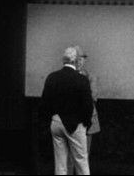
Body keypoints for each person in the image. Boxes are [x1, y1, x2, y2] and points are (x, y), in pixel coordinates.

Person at [41, 46, 93, 176]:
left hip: (56, 122)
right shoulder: (81, 79)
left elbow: (44, 103)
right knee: (81, 161)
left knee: (60, 164)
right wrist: (86, 123)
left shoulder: (52, 77)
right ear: (75, 61)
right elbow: (88, 105)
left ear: (63, 60)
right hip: (76, 124)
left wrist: (50, 119)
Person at [70, 46, 100, 173]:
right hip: (69, 121)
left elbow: (92, 96)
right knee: (69, 157)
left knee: (83, 156)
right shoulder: (65, 76)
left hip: (87, 121)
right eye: (76, 59)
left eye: (82, 59)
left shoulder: (91, 77)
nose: (79, 62)